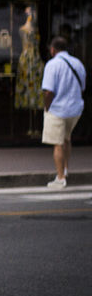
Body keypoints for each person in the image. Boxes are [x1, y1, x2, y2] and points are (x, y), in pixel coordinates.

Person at [41, 35, 86, 189]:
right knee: (66, 139)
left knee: (58, 143)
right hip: (75, 109)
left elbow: (48, 91)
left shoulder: (52, 65)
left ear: (52, 50)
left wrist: (47, 107)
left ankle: (60, 178)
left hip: (58, 110)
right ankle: (65, 170)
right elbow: (82, 87)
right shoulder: (78, 63)